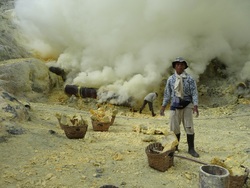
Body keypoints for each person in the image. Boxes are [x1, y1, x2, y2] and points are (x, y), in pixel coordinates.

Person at [160, 57, 200, 158]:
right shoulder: (171, 79)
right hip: (175, 103)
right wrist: (163, 106)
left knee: (189, 126)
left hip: (187, 103)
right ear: (174, 66)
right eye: (177, 64)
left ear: (184, 67)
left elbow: (194, 93)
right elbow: (167, 93)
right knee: (174, 127)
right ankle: (175, 147)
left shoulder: (190, 79)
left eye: (182, 64)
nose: (179, 66)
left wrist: (195, 105)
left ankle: (191, 149)